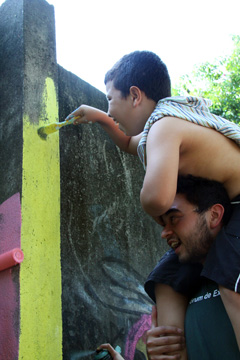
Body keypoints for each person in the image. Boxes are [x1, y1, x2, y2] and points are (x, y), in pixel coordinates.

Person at [66, 51, 240, 350]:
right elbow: (129, 144)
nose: (111, 110)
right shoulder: (156, 129)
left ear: (135, 95)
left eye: (110, 100)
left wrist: (154, 205)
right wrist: (98, 117)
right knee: (165, 276)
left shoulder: (165, 127)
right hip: (223, 206)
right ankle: (175, 350)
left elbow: (156, 199)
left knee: (230, 279)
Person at [145, 175, 240, 359]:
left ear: (214, 215)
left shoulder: (233, 282)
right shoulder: (177, 286)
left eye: (174, 218)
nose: (164, 233)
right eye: (163, 223)